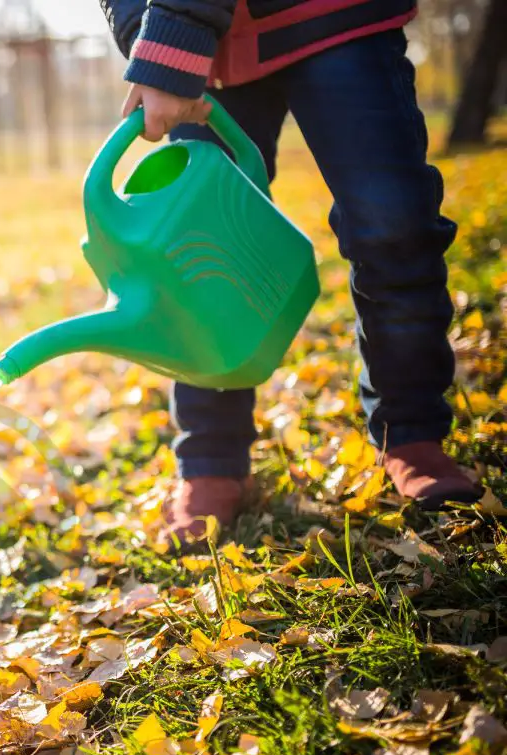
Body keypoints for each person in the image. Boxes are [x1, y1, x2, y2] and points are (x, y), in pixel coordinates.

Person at [94, 0, 483, 545]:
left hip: (333, 17)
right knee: (200, 256)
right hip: (212, 52)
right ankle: (211, 459)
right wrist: (149, 33)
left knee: (394, 223)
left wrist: (171, 39)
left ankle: (413, 433)